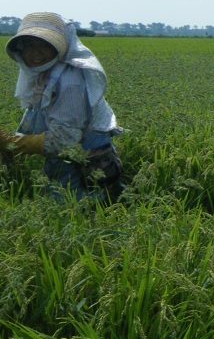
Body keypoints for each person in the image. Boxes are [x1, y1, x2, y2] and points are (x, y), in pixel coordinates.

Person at [1, 12, 123, 202]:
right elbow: (35, 115)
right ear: (20, 49)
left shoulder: (69, 82)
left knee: (75, 210)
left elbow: (65, 140)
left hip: (83, 161)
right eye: (30, 45)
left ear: (59, 48)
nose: (36, 53)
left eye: (45, 45)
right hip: (65, 156)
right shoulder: (43, 74)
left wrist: (13, 144)